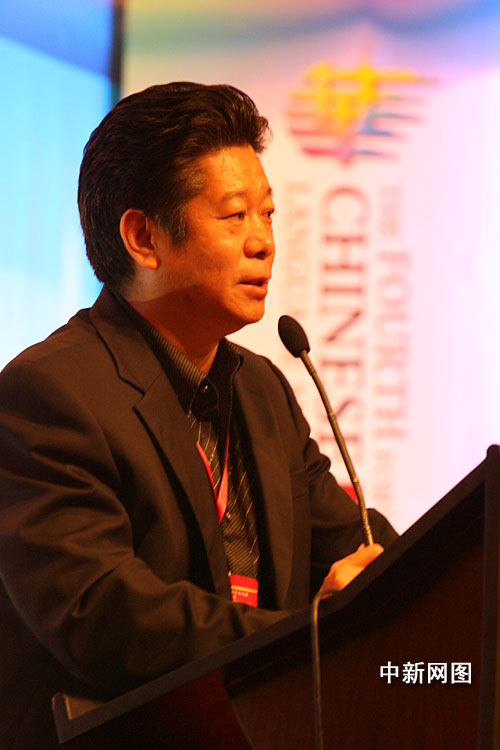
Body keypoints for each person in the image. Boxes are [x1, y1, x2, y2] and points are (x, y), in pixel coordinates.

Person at [0, 82, 397, 748]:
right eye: (235, 216)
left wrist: (394, 584)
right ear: (143, 237)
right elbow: (104, 615)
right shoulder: (49, 394)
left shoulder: (264, 389)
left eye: (268, 214)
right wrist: (308, 635)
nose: (264, 242)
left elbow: (350, 545)